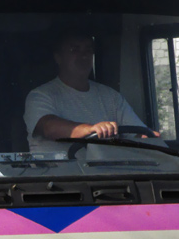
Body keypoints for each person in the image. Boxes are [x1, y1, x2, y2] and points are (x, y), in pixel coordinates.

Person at [24, 31, 154, 154]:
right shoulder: (40, 96)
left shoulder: (111, 97)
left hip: (107, 174)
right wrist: (92, 130)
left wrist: (148, 139)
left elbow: (137, 132)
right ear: (58, 57)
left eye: (88, 50)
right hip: (56, 176)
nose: (84, 55)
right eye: (74, 49)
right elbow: (49, 128)